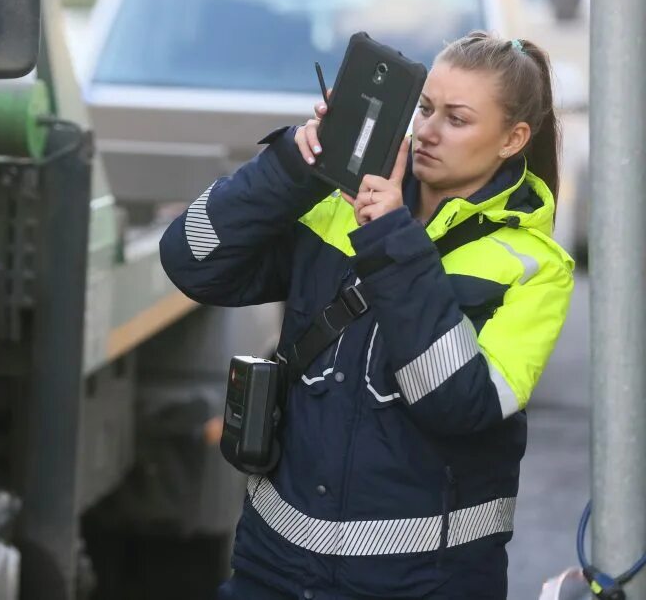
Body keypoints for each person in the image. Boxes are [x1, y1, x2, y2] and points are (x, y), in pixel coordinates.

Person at [160, 31, 575, 599]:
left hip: (422, 581)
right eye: (425, 108)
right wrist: (296, 165)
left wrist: (390, 239)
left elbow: (457, 404)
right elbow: (194, 258)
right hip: (274, 568)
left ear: (512, 139)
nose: (427, 131)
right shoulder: (341, 205)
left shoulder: (535, 267)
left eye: (457, 119)